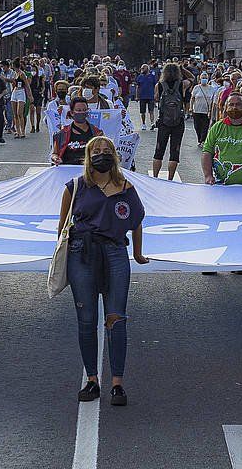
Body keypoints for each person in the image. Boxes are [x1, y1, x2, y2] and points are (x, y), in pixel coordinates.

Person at [58, 136, 147, 406]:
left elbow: (136, 222)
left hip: (115, 254)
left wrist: (138, 253)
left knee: (116, 317)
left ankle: (117, 383)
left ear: (115, 156)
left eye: (107, 150)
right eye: (96, 150)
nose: (102, 154)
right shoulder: (74, 187)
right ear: (87, 156)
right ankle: (93, 380)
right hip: (81, 255)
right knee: (86, 319)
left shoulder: (126, 187)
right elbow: (61, 227)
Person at [152, 63, 189, 181]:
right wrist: (183, 69)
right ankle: (170, 178)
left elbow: (156, 98)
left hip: (164, 120)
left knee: (159, 150)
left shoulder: (159, 85)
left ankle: (155, 176)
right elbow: (192, 78)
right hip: (178, 121)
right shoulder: (182, 84)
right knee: (175, 150)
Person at [52, 98, 101, 166]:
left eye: (84, 110)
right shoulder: (62, 134)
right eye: (78, 110)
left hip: (90, 172)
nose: (82, 112)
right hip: (67, 172)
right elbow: (55, 153)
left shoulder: (97, 133)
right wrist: (56, 158)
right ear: (72, 113)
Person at [135, 64, 157, 129]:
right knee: (142, 112)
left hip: (150, 96)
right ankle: (143, 124)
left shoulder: (152, 76)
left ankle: (152, 123)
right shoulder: (140, 77)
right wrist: (137, 96)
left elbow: (155, 86)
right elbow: (137, 87)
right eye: (141, 68)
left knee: (151, 111)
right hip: (142, 96)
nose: (142, 70)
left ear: (147, 69)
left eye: (143, 68)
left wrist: (155, 95)